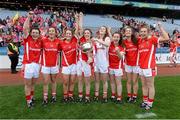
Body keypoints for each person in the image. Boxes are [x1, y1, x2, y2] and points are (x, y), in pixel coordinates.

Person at [138, 22, 169, 110]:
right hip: (141, 67)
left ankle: (150, 103)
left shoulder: (152, 39)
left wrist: (160, 26)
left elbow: (166, 38)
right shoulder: (140, 40)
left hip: (149, 67)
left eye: (144, 31)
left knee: (150, 85)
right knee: (143, 85)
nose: (142, 33)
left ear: (148, 32)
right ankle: (145, 101)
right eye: (141, 32)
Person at [22, 11, 42, 108]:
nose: (34, 34)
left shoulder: (40, 41)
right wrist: (28, 17)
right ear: (31, 33)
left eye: (36, 33)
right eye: (33, 32)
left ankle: (32, 96)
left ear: (39, 34)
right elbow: (25, 28)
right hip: (28, 64)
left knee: (33, 83)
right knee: (28, 84)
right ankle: (28, 101)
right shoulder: (27, 38)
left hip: (37, 65)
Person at [76, 13, 93, 103]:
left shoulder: (92, 42)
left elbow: (92, 54)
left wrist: (90, 58)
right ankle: (80, 96)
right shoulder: (81, 39)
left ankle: (87, 97)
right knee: (79, 80)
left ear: (90, 34)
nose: (86, 34)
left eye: (88, 33)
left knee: (87, 81)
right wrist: (80, 18)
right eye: (85, 33)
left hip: (87, 63)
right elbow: (80, 28)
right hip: (79, 62)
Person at [41, 27, 61, 105]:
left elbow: (59, 53)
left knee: (53, 81)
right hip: (45, 65)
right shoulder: (43, 40)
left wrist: (59, 64)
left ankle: (53, 96)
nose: (51, 32)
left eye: (53, 31)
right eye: (50, 31)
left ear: (55, 32)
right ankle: (45, 98)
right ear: (48, 32)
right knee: (45, 82)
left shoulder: (58, 41)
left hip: (54, 65)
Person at [93, 26, 111, 102]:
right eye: (101, 29)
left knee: (104, 81)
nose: (102, 30)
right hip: (96, 62)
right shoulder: (96, 40)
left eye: (103, 29)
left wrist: (97, 40)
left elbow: (107, 44)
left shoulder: (106, 39)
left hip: (104, 63)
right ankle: (96, 95)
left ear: (105, 31)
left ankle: (104, 96)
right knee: (96, 80)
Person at [60, 29, 78, 102]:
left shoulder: (75, 40)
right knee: (65, 82)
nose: (68, 35)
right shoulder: (61, 42)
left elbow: (78, 30)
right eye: (67, 33)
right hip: (66, 65)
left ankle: (70, 95)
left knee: (72, 81)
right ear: (65, 34)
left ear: (72, 35)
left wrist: (78, 18)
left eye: (69, 34)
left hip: (74, 64)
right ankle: (65, 96)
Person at [123, 26, 139, 103]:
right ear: (125, 33)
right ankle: (129, 96)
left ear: (132, 32)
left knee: (134, 81)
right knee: (129, 81)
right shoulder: (123, 42)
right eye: (127, 31)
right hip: (128, 64)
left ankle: (134, 96)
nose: (128, 32)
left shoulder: (137, 40)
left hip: (136, 64)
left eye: (129, 31)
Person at [109, 32, 125, 104]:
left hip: (118, 67)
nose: (116, 38)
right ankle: (113, 95)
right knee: (112, 82)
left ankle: (119, 97)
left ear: (119, 38)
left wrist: (118, 51)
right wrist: (109, 31)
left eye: (117, 37)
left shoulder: (122, 46)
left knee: (118, 83)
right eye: (114, 37)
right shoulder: (110, 44)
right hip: (110, 66)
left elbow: (121, 58)